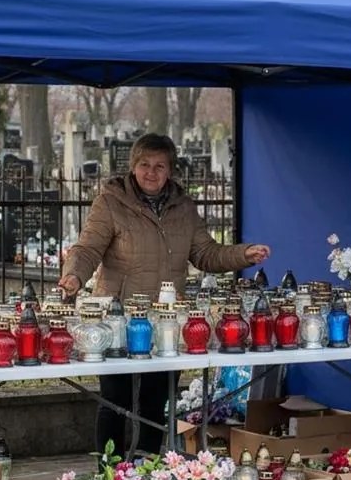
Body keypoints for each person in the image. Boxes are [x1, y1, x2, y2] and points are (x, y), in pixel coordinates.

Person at [58, 133, 271, 456]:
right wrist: (73, 276)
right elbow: (88, 248)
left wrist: (244, 255)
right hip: (118, 321)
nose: (151, 172)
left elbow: (205, 253)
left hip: (167, 323)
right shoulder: (111, 202)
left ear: (170, 170)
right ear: (133, 167)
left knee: (155, 403)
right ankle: (109, 473)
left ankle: (146, 473)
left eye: (160, 166)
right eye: (145, 165)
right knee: (115, 402)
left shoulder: (183, 207)